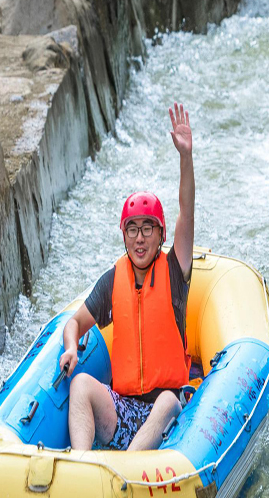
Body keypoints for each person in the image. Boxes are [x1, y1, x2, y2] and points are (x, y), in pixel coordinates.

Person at [59, 102, 194, 451]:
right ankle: (83, 468)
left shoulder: (175, 271)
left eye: (148, 229)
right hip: (127, 410)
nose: (139, 238)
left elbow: (186, 212)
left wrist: (185, 157)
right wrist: (71, 348)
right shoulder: (112, 282)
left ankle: (125, 474)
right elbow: (73, 324)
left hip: (169, 412)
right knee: (81, 386)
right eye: (132, 229)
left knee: (166, 401)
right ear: (124, 235)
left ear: (160, 235)